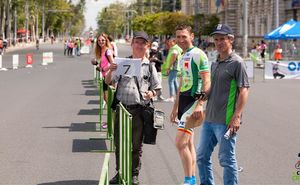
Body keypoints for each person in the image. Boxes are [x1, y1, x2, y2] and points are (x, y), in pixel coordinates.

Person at [105, 31, 161, 185]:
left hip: (139, 111)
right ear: (132, 45)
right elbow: (109, 82)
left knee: (136, 145)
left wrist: (151, 93)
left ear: (147, 46)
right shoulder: (122, 62)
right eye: (137, 42)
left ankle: (134, 173)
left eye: (143, 43)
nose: (139, 45)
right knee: (119, 143)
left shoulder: (150, 66)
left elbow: (157, 88)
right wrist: (111, 69)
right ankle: (120, 172)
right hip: (122, 109)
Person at [196, 24, 250, 185]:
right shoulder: (215, 62)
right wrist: (201, 98)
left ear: (230, 40)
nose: (219, 42)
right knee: (201, 157)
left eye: (223, 39)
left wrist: (236, 116)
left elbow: (244, 91)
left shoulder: (237, 63)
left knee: (226, 160)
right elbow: (212, 88)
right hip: (209, 120)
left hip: (226, 121)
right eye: (217, 39)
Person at [170, 25, 211, 185]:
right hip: (184, 102)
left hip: (194, 102)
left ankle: (189, 180)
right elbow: (181, 84)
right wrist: (175, 107)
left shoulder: (199, 54)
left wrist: (200, 103)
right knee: (189, 143)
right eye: (178, 37)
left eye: (184, 36)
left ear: (192, 36)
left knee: (180, 143)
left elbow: (207, 80)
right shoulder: (182, 55)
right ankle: (192, 178)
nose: (181, 40)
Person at [94, 33, 114, 129]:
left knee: (110, 101)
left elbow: (113, 64)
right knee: (107, 100)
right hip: (105, 78)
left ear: (106, 41)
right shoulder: (101, 51)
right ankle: (110, 121)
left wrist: (103, 69)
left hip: (109, 79)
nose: (101, 42)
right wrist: (98, 66)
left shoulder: (108, 51)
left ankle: (111, 122)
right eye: (99, 41)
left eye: (103, 40)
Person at [164, 37, 183, 102]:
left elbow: (174, 57)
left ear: (174, 42)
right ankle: (178, 96)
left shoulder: (174, 49)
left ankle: (171, 97)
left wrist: (169, 67)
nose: (169, 43)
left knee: (171, 81)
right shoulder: (176, 48)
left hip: (173, 67)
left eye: (170, 41)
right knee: (174, 81)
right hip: (176, 67)